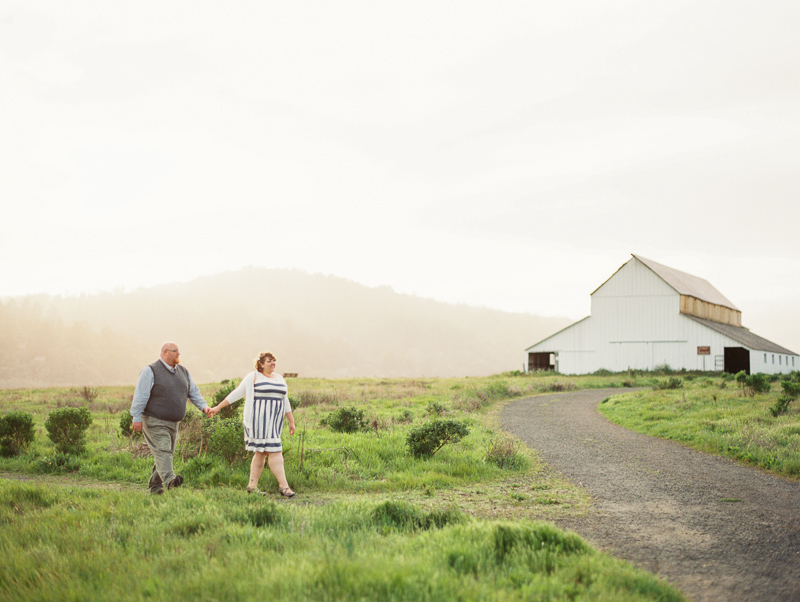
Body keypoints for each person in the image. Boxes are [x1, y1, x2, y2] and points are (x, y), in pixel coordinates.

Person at [209, 351, 296, 497]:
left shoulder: (280, 379)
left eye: (274, 360)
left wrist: (291, 421)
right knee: (274, 451)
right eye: (269, 361)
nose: (273, 363)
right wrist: (218, 407)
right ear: (261, 364)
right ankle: (284, 486)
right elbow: (237, 393)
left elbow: (285, 400)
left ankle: (252, 486)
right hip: (258, 423)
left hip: (274, 423)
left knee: (261, 453)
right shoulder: (253, 377)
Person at [130, 342, 211, 494]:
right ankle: (170, 481)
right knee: (164, 451)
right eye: (175, 351)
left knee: (165, 454)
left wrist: (204, 407)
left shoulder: (183, 371)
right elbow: (140, 395)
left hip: (174, 423)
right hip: (155, 420)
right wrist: (136, 417)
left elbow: (193, 391)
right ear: (165, 352)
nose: (179, 354)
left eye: (179, 351)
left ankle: (155, 487)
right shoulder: (150, 371)